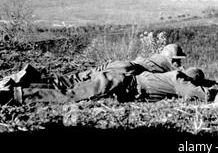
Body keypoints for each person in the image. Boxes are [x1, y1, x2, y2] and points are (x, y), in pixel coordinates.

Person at [0, 43, 188, 103]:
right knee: (75, 92)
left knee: (70, 81)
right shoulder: (167, 65)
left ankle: (25, 81)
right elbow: (180, 79)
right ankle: (17, 94)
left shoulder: (155, 57)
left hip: (114, 66)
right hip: (122, 73)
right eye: (178, 62)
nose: (178, 65)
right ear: (175, 59)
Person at [2, 66, 217, 105]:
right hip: (121, 83)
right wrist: (209, 92)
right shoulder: (177, 78)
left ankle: (21, 86)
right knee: (71, 95)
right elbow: (193, 92)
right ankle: (18, 95)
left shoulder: (169, 75)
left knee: (71, 86)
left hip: (118, 80)